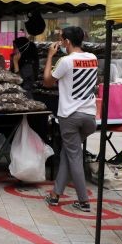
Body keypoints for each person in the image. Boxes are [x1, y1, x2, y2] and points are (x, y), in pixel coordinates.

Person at [43, 26, 97, 212]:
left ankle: (84, 201)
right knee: (68, 153)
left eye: (61, 39)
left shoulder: (65, 61)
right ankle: (55, 195)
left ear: (66, 42)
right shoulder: (93, 59)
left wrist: (51, 55)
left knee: (74, 157)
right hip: (89, 117)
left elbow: (48, 81)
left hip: (70, 117)